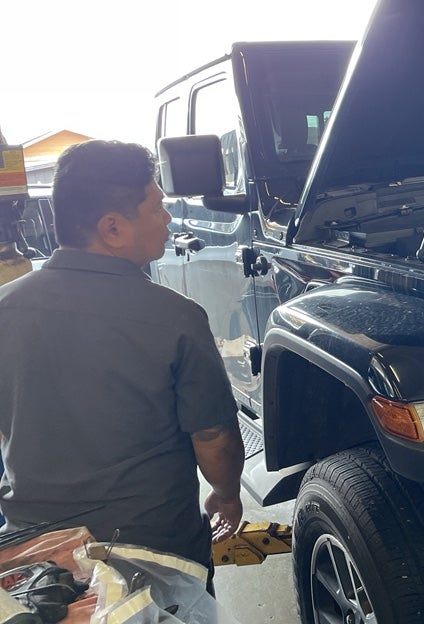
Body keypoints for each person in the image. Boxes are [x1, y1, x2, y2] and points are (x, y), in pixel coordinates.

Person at [0, 139, 244, 570]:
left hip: (37, 556)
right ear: (112, 228)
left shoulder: (5, 308)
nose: (168, 219)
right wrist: (225, 496)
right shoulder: (176, 317)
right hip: (155, 551)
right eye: (156, 208)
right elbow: (213, 438)